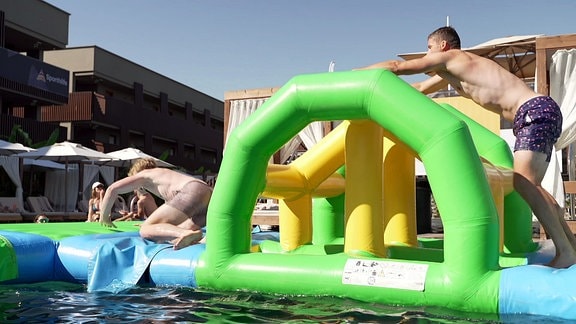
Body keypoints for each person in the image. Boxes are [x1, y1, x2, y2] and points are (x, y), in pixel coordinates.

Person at [356, 26, 576, 268]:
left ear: (443, 46)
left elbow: (396, 67)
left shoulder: (451, 57)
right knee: (533, 186)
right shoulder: (451, 70)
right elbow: (418, 89)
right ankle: (571, 246)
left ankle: (565, 251)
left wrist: (357, 75)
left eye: (429, 48)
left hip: (532, 111)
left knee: (522, 182)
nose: (427, 54)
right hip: (540, 111)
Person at [99, 158, 212, 250]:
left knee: (145, 229)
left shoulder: (144, 174)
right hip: (207, 193)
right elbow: (170, 212)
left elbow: (112, 189)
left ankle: (185, 233)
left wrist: (104, 216)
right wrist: (156, 224)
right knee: (173, 234)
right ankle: (199, 240)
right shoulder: (164, 174)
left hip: (191, 190)